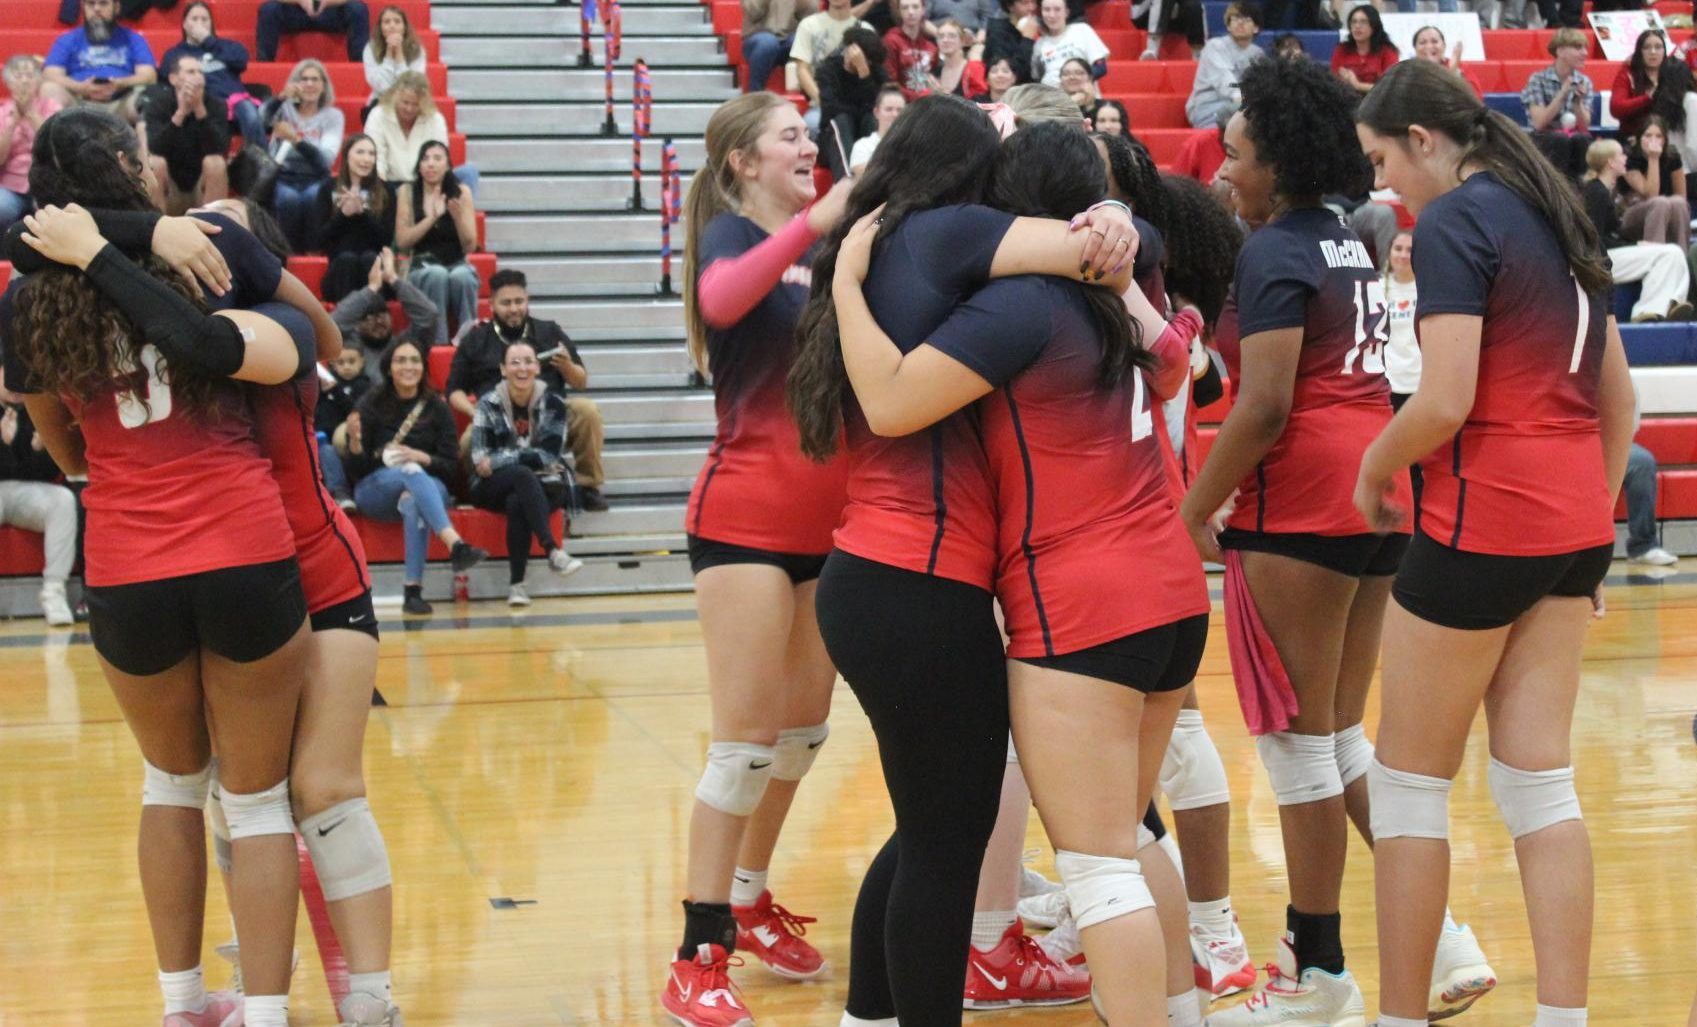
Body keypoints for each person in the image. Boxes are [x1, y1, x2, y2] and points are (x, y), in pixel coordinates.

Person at [830, 120, 1211, 1027]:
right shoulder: (1126, 290)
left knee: (1097, 867)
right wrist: (1120, 222)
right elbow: (1188, 364)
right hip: (1174, 591)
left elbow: (887, 401)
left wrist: (844, 280)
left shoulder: (1016, 308)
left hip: (1080, 600)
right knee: (1129, 833)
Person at [2, 111, 320, 1027]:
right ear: (129, 169)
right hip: (241, 541)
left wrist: (95, 473)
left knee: (169, 785)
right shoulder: (204, 245)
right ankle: (264, 1012)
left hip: (127, 556)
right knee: (257, 801)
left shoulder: (28, 297)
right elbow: (305, 339)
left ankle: (183, 1003)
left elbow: (54, 431)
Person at [1186, 57, 1484, 1027]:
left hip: (1303, 502)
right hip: (1375, 490)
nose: (1222, 172)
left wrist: (1194, 506)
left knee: (1296, 749)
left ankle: (1316, 972)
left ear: (1276, 160)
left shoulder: (1270, 251)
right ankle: (1442, 940)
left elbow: (1264, 402)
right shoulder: (1347, 242)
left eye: (1234, 156)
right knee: (1340, 735)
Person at [1354, 55, 1638, 1027]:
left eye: (1382, 159)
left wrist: (1370, 466)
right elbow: (1618, 404)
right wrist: (1591, 527)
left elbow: (1442, 400)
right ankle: (1563, 1018)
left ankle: (1396, 1018)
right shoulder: (1557, 211)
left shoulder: (1453, 222)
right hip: (1570, 524)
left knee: (1403, 789)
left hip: (1486, 518)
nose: (1381, 183)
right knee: (1535, 782)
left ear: (1422, 143)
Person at [660, 91, 853, 1027]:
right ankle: (698, 951)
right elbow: (720, 300)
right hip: (744, 517)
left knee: (802, 735)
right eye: (788, 137)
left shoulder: (832, 249)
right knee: (741, 746)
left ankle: (746, 888)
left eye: (808, 137)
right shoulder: (734, 238)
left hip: (834, 520)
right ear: (742, 160)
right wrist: (819, 218)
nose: (805, 146)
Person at [345, 338, 488, 615]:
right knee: (409, 473)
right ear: (389, 368)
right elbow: (357, 471)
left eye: (414, 360)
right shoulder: (370, 403)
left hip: (429, 485)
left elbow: (450, 467)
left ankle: (413, 591)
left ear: (423, 367)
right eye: (401, 360)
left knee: (413, 499)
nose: (408, 366)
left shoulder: (437, 407)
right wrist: (354, 441)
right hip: (376, 488)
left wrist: (422, 457)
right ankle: (455, 544)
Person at [449, 268, 609, 512]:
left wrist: (567, 366)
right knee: (469, 440)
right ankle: (484, 487)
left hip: (549, 415)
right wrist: (477, 414)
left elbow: (581, 382)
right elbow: (454, 390)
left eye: (519, 301)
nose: (514, 309)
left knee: (587, 411)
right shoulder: (475, 339)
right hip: (496, 418)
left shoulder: (549, 332)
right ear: (491, 304)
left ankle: (587, 486)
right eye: (506, 303)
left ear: (527, 300)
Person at [467, 341, 586, 606]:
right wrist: (520, 460)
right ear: (503, 369)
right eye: (515, 362)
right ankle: (553, 550)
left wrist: (501, 459)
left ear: (537, 367)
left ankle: (517, 587)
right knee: (522, 475)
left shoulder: (553, 402)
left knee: (518, 499)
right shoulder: (488, 403)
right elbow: (479, 460)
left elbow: (548, 456)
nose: (522, 368)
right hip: (490, 486)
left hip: (544, 483)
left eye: (528, 361)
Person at [1581, 139, 1693, 323]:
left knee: (1674, 253)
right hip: (1599, 262)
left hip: (1609, 256)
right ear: (1610, 161)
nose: (1625, 158)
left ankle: (1668, 305)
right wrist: (1635, 244)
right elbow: (1594, 240)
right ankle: (1649, 310)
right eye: (1621, 155)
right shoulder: (1596, 193)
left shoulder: (1604, 191)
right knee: (1668, 254)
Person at [0, 381, 78, 626]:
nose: (14, 386)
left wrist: (40, 450)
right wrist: (4, 445)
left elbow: (50, 474)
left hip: (24, 492)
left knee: (63, 500)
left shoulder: (37, 411)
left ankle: (54, 592)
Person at [396, 141, 480, 343]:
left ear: (448, 164)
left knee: (463, 277)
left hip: (456, 262)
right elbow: (402, 242)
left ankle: (469, 339)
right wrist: (431, 218)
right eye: (425, 159)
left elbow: (470, 246)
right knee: (437, 274)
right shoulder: (407, 192)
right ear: (419, 165)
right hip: (421, 266)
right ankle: (438, 341)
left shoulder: (462, 192)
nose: (431, 164)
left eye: (437, 158)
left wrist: (457, 217)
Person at [264, 59, 344, 253]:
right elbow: (261, 121)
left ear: (323, 86)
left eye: (315, 79)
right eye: (304, 79)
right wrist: (281, 98)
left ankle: (312, 252)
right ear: (295, 84)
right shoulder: (283, 110)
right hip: (283, 176)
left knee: (313, 197)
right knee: (288, 199)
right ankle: (286, 252)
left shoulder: (333, 116)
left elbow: (325, 161)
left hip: (316, 178)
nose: (309, 84)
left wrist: (295, 140)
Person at [161, 2, 265, 145]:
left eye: (204, 19)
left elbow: (241, 61)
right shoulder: (175, 53)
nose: (200, 24)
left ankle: (260, 163)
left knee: (250, 113)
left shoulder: (226, 46)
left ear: (211, 23)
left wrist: (208, 40)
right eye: (195, 19)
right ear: (184, 24)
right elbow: (167, 77)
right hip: (200, 102)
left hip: (235, 102)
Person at [142, 55, 231, 216]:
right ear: (173, 79)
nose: (198, 76)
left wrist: (199, 110)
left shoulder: (217, 105)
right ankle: (156, 228)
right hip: (170, 188)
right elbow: (155, 147)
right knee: (154, 162)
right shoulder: (158, 104)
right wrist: (180, 113)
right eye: (191, 71)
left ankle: (215, 229)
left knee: (216, 163)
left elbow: (219, 148)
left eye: (200, 72)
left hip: (201, 187)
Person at [41, 0, 158, 121]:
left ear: (116, 7)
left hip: (121, 102)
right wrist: (80, 87)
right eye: (91, 4)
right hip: (78, 102)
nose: (96, 9)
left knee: (147, 99)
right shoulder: (67, 39)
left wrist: (121, 83)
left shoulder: (134, 39)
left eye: (103, 3)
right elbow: (50, 74)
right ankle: (53, 139)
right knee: (49, 89)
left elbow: (149, 76)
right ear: (83, 8)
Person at [316, 134, 395, 303]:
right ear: (347, 155)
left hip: (373, 266)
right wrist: (343, 215)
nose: (366, 159)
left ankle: (374, 325)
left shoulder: (386, 190)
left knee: (370, 258)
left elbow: (387, 239)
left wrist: (363, 213)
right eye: (360, 152)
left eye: (371, 154)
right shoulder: (327, 187)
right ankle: (344, 327)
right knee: (347, 260)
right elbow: (317, 240)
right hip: (340, 271)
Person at [364, 72, 476, 192]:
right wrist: (383, 194)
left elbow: (440, 159)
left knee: (469, 172)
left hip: (427, 185)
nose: (409, 109)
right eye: (405, 102)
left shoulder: (435, 119)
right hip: (390, 184)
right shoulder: (377, 115)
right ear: (395, 97)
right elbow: (376, 160)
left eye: (415, 104)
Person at [332, 248, 440, 370]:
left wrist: (393, 279)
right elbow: (331, 325)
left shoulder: (406, 345)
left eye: (382, 315)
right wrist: (371, 288)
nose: (378, 321)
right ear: (357, 324)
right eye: (369, 318)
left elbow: (429, 315)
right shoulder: (348, 346)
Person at [0, 57, 63, 234]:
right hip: (10, 186)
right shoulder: (2, 113)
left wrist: (31, 114)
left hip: (47, 183)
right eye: (18, 76)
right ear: (7, 82)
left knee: (56, 210)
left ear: (39, 80)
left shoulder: (53, 107)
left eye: (29, 75)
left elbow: (57, 148)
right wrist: (12, 124)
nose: (25, 80)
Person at [791, 0, 874, 132]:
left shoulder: (865, 29)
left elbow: (873, 78)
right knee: (811, 124)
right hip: (822, 103)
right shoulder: (808, 25)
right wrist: (824, 101)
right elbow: (802, 69)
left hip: (857, 103)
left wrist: (861, 65)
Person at [1522, 28, 1594, 180]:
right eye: (1577, 47)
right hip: (1544, 138)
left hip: (1572, 137)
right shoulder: (1537, 80)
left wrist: (1577, 103)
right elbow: (1539, 123)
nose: (1585, 53)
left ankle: (1579, 191)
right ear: (1560, 51)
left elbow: (1584, 127)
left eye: (1585, 48)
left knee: (1582, 140)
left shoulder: (1584, 81)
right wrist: (1562, 95)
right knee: (1559, 139)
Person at [817, 29, 890, 179]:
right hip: (833, 143)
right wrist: (860, 110)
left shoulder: (876, 72)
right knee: (842, 120)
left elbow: (878, 107)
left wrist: (864, 73)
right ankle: (848, 183)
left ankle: (878, 182)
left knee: (872, 118)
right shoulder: (828, 70)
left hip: (864, 139)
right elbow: (830, 110)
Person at [1624, 389, 1679, 566]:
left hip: (1609, 439)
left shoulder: (1615, 368)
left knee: (1642, 462)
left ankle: (1643, 546)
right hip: (1570, 441)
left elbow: (1630, 418)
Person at [1187, 1, 1262, 128]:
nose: (1240, 22)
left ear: (1256, 28)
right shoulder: (1215, 46)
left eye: (1246, 19)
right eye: (1235, 18)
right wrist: (1242, 100)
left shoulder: (1258, 54)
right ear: (1228, 26)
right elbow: (1223, 79)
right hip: (1208, 107)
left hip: (1241, 107)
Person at [1609, 30, 1690, 145]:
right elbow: (1616, 108)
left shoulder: (1673, 73)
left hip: (1668, 137)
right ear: (1639, 51)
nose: (1653, 52)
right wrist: (1648, 98)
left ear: (1664, 51)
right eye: (1646, 47)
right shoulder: (1627, 73)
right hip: (1631, 136)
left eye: (1658, 47)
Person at [1622, 115, 1690, 249]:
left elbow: (1681, 196)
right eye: (1648, 136)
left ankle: (1682, 258)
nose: (1653, 140)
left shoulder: (1672, 157)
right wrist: (1653, 159)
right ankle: (1654, 259)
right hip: (1632, 215)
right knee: (1659, 203)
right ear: (1639, 138)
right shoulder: (1630, 158)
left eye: (1659, 136)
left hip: (1666, 211)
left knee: (1678, 203)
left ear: (1665, 140)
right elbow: (1651, 195)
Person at [318, 343, 371, 508]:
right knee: (326, 450)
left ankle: (347, 491)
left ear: (362, 362)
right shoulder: (323, 387)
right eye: (341, 363)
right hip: (326, 441)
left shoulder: (364, 386)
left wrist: (336, 391)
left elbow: (356, 411)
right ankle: (339, 493)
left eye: (351, 361)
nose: (346, 367)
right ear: (333, 364)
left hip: (354, 440)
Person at [741, 0, 821, 92]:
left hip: (788, 38)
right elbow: (753, 13)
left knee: (801, 41)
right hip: (758, 38)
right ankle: (755, 95)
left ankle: (808, 95)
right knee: (768, 43)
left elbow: (810, 18)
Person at [257, 0, 372, 63]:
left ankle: (359, 64)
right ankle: (264, 63)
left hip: (330, 11)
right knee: (269, 9)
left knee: (358, 9)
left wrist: (327, 2)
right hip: (296, 11)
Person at [1030, 0, 1107, 87]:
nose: (1052, 15)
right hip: (1051, 96)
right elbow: (1037, 77)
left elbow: (1101, 67)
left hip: (1082, 94)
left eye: (1057, 9)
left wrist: (1074, 82)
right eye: (1047, 10)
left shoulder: (1082, 30)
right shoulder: (1039, 44)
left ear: (1066, 12)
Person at [364, 6, 428, 106]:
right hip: (380, 100)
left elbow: (413, 85)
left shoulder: (417, 50)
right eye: (386, 22)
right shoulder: (371, 48)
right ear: (380, 28)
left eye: (397, 22)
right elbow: (380, 85)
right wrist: (389, 55)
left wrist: (399, 55)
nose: (392, 26)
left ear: (405, 27)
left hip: (409, 102)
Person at [1331, 4, 1397, 96]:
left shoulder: (1387, 51)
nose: (1357, 26)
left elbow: (1390, 88)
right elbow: (1332, 81)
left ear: (1374, 26)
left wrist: (1358, 85)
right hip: (1346, 100)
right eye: (1354, 22)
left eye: (1363, 22)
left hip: (1378, 102)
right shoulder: (1342, 49)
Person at [883, 0, 939, 99]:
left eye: (915, 7)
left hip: (929, 102)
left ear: (923, 10)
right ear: (899, 12)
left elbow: (935, 78)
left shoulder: (932, 47)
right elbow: (890, 84)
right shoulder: (891, 41)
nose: (910, 12)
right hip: (902, 103)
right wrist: (919, 97)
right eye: (905, 8)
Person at [1411, 25, 1482, 98]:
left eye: (1434, 41)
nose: (1429, 46)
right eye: (1423, 43)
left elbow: (1475, 101)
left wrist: (1453, 75)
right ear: (1415, 48)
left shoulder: (1459, 68)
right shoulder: (1408, 71)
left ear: (1444, 46)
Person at [848, 84, 905, 173]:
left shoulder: (913, 144)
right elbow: (865, 179)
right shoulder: (862, 146)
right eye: (889, 109)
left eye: (900, 110)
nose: (895, 114)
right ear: (876, 112)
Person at [982, 0, 1037, 85]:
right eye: (1024, 3)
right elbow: (1013, 72)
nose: (1032, 7)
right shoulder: (998, 33)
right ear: (1010, 6)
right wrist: (1027, 39)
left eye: (1034, 2)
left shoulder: (1042, 27)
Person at [931, 18, 987, 97]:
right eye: (941, 36)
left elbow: (981, 100)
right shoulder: (935, 70)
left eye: (952, 36)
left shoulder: (973, 68)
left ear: (962, 41)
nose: (945, 40)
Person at [1133, 0, 1205, 61]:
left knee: (1194, 5)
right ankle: (1152, 49)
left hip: (1171, 14)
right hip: (1143, 12)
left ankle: (1197, 53)